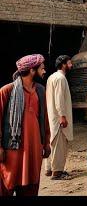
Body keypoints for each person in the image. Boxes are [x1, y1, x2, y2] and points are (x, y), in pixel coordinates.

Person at [0, 54, 51, 196]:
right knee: (7, 187)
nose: (44, 71)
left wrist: (46, 143)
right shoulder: (7, 91)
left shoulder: (40, 90)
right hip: (12, 150)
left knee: (30, 188)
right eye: (42, 68)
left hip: (34, 150)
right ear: (32, 70)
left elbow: (44, 119)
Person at [44, 55, 74, 179]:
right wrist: (62, 116)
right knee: (59, 144)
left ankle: (49, 169)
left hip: (52, 116)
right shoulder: (61, 78)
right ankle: (57, 173)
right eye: (69, 63)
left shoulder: (52, 77)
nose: (71, 65)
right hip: (58, 117)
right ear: (63, 64)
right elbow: (59, 99)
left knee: (53, 142)